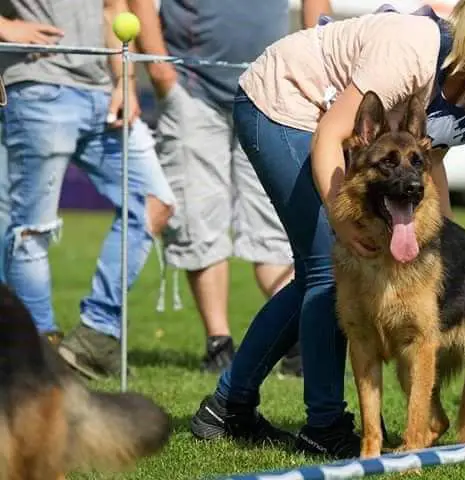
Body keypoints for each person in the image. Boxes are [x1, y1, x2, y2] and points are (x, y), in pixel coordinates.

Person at [189, 0, 465, 459]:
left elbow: (429, 171)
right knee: (327, 270)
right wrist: (341, 221)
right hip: (285, 102)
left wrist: (442, 243)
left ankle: (228, 407)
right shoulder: (412, 49)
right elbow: (330, 134)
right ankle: (324, 426)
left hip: (332, 123)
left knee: (320, 274)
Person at [128, 0, 330, 374]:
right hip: (191, 89)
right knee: (198, 217)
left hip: (273, 87)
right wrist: (159, 70)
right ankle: (218, 344)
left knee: (280, 223)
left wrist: (315, 64)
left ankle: (298, 339)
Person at [0, 0, 175, 378]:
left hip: (102, 91)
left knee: (154, 201)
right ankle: (38, 349)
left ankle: (95, 336)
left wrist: (125, 83)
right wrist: (5, 27)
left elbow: (113, 10)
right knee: (32, 229)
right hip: (38, 86)